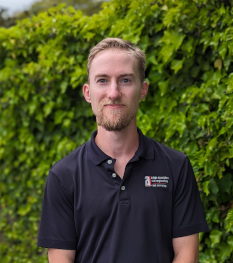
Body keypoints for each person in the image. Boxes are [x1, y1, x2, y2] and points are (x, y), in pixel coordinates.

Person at [37, 38, 209, 263]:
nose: (114, 92)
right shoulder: (63, 176)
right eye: (102, 80)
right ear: (88, 93)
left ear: (143, 90)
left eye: (125, 80)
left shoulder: (176, 167)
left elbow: (186, 253)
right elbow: (61, 259)